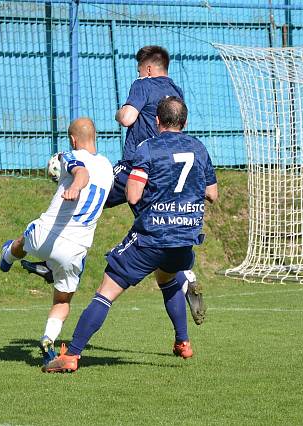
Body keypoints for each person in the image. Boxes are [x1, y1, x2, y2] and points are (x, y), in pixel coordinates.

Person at [43, 97, 218, 373]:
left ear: (157, 121)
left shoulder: (147, 148)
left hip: (152, 236)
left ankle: (72, 355)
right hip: (185, 239)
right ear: (184, 122)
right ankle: (183, 342)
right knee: (168, 279)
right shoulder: (199, 148)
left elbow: (134, 193)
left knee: (106, 291)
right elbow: (212, 194)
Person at [0, 117, 114, 364]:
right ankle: (48, 338)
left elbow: (81, 172)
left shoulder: (67, 156)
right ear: (95, 137)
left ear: (73, 140)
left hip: (47, 236)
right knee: (62, 301)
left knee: (21, 242)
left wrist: (74, 186)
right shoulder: (108, 166)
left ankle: (7, 257)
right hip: (74, 250)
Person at [108, 45, 206, 325]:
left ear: (148, 68)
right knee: (157, 225)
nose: (139, 73)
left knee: (93, 195)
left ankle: (57, 260)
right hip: (165, 171)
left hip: (137, 164)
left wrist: (120, 113)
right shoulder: (176, 90)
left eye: (140, 68)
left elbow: (127, 117)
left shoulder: (143, 84)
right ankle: (185, 276)